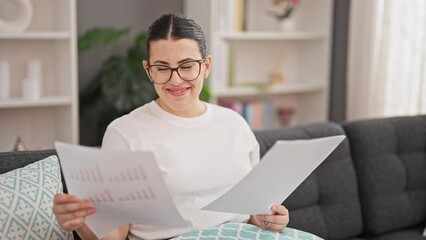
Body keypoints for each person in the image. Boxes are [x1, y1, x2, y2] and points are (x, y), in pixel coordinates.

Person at [53, 13, 289, 240]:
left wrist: (267, 219)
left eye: (186, 66)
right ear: (148, 69)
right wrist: (82, 222)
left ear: (206, 66)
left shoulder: (235, 124)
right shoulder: (125, 133)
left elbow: (252, 214)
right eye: (162, 68)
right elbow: (115, 236)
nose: (175, 80)